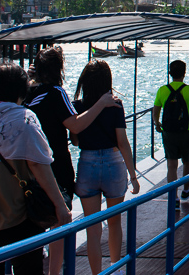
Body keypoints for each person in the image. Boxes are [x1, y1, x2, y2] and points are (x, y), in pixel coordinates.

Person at [26, 46, 120, 275]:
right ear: (59, 68)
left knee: (31, 226)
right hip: (56, 167)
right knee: (60, 223)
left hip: (27, 169)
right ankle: (54, 273)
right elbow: (75, 125)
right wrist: (101, 103)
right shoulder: (56, 93)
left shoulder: (26, 94)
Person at [0, 63, 71, 274]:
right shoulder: (24, 118)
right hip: (19, 216)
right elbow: (39, 165)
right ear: (21, 91)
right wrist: (60, 205)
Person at [71, 60, 139, 275]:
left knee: (92, 228)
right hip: (113, 163)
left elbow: (74, 140)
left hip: (87, 163)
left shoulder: (77, 106)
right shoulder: (115, 104)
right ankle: (116, 269)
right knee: (115, 222)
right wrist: (133, 175)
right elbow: (122, 142)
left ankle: (95, 273)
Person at [152, 60, 189, 208]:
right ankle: (186, 189)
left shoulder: (162, 90)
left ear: (170, 73)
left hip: (169, 132)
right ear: (184, 73)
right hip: (186, 131)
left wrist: (157, 124)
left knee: (171, 165)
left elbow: (156, 111)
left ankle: (173, 199)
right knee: (187, 162)